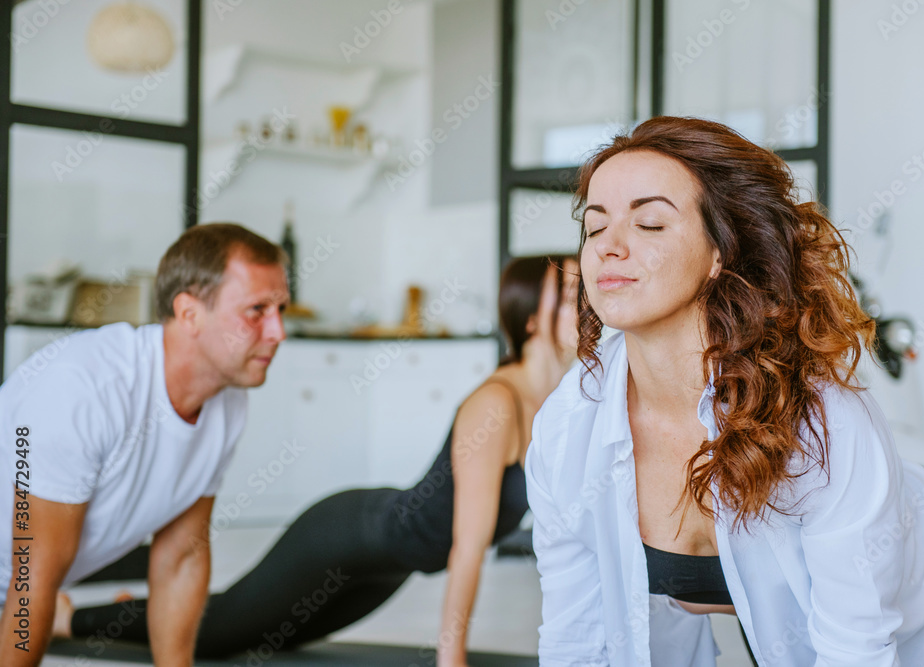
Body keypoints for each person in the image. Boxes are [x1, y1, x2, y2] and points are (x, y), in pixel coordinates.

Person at [526, 116, 924, 666]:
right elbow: (575, 639)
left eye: (650, 223)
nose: (609, 246)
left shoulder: (820, 421)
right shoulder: (567, 429)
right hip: (788, 620)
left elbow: (855, 652)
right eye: (594, 227)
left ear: (719, 254)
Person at [60, 255, 581, 666]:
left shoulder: (555, 403)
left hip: (393, 565)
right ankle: (71, 620)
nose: (588, 306)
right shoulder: (496, 405)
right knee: (218, 632)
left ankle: (128, 609)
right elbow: (468, 547)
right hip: (347, 538)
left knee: (276, 642)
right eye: (572, 296)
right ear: (531, 317)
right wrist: (452, 658)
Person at [0, 223, 289, 667]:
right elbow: (33, 577)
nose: (278, 332)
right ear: (189, 314)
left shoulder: (227, 402)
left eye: (280, 309)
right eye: (256, 310)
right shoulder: (85, 390)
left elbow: (181, 555)